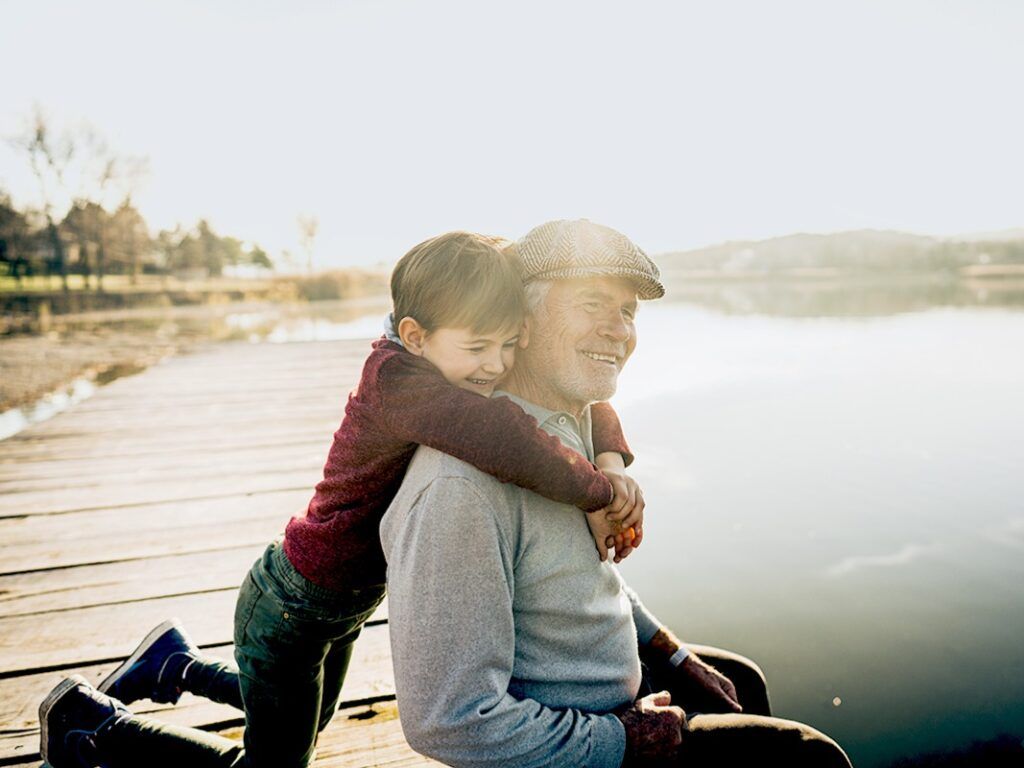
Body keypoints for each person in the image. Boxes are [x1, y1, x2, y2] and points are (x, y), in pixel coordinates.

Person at [37, 230, 647, 768]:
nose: (496, 366)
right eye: (481, 347)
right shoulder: (400, 382)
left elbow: (586, 400)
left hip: (338, 604)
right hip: (292, 606)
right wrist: (596, 492)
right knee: (277, 758)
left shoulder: (449, 360)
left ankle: (176, 666)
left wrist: (610, 459)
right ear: (415, 335)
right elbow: (504, 435)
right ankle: (93, 725)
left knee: (301, 711)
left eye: (509, 345)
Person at [380, 219, 853, 766]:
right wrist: (623, 740)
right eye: (592, 303)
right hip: (575, 738)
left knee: (740, 679)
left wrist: (672, 653)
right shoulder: (459, 487)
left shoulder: (563, 431)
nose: (619, 331)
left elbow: (578, 576)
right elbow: (447, 720)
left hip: (620, 688)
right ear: (522, 322)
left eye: (627, 311)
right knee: (808, 756)